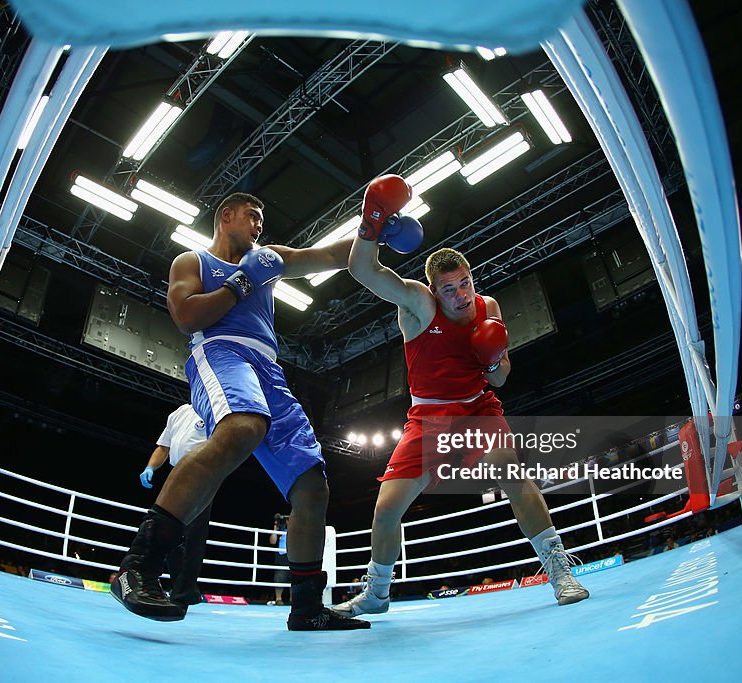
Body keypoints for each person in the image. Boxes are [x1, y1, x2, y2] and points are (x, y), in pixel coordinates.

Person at [112, 185, 409, 631]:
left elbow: (330, 256)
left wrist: (373, 229)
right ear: (226, 215)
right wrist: (241, 282)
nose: (258, 225)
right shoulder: (193, 261)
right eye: (252, 216)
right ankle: (138, 567)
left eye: (261, 220)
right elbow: (187, 316)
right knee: (242, 427)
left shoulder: (269, 257)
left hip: (268, 367)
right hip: (220, 351)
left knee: (312, 483)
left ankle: (306, 607)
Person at [333, 236, 590, 618]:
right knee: (386, 510)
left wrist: (489, 361)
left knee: (512, 472)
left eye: (465, 283)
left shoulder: (489, 308)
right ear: (435, 292)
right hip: (429, 418)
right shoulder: (418, 304)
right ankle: (377, 593)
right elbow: (363, 270)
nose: (461, 295)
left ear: (471, 278)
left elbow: (500, 378)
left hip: (477, 409)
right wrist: (371, 226)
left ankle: (560, 573)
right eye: (449, 290)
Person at [140, 403, 210, 607]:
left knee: (194, 537)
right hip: (175, 474)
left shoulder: (215, 409)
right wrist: (150, 467)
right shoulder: (179, 412)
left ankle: (184, 591)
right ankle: (185, 588)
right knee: (165, 531)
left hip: (202, 474)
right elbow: (164, 447)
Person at [268, 513, 290, 605]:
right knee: (279, 577)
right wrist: (275, 528)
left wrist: (291, 526)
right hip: (281, 556)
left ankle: (293, 599)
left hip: (292, 554)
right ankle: (278, 599)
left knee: (294, 577)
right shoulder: (279, 531)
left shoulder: (295, 530)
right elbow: (272, 541)